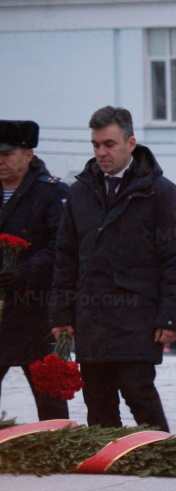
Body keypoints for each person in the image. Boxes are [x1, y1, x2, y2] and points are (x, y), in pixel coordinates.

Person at [50, 106, 176, 432]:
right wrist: (61, 314)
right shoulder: (79, 193)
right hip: (92, 320)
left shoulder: (161, 193)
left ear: (131, 143)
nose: (102, 152)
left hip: (138, 318)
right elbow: (66, 258)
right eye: (96, 145)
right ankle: (108, 467)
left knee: (139, 392)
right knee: (98, 406)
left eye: (109, 144)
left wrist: (172, 316)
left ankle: (161, 458)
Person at [0, 120, 69, 421]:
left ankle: (57, 448)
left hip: (36, 312)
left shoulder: (51, 194)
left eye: (7, 154)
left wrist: (26, 270)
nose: (0, 161)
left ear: (28, 155)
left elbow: (63, 248)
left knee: (49, 392)